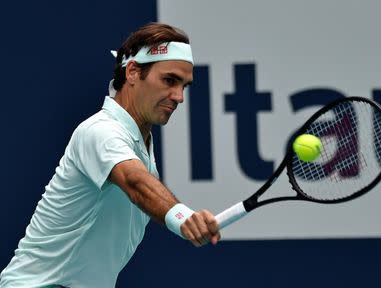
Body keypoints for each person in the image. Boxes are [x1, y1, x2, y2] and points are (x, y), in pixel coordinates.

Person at [0, 22, 220, 288]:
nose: (179, 96)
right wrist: (183, 217)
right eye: (169, 80)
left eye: (184, 85)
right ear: (132, 72)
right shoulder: (101, 131)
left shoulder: (140, 142)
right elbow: (135, 182)